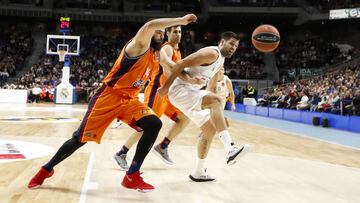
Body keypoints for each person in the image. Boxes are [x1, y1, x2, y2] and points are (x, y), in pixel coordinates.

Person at [27, 14, 197, 192]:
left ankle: (132, 175)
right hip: (109, 97)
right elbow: (149, 26)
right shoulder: (137, 46)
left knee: (154, 123)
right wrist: (181, 20)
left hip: (129, 100)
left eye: (163, 34)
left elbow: (171, 67)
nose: (161, 35)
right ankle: (46, 169)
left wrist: (190, 79)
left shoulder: (156, 56)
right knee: (79, 139)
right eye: (159, 32)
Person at [158, 31, 250, 182]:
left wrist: (217, 112)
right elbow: (181, 64)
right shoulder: (211, 53)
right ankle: (230, 148)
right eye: (231, 43)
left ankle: (199, 171)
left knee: (210, 128)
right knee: (216, 100)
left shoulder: (221, 61)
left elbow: (210, 89)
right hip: (180, 90)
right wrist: (165, 87)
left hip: (190, 92)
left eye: (236, 46)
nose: (234, 47)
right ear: (222, 42)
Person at [112, 25, 193, 169]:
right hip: (157, 91)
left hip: (167, 94)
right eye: (175, 32)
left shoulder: (177, 50)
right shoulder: (167, 48)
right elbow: (169, 69)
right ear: (168, 34)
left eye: (180, 32)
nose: (178, 35)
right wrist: (188, 77)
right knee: (146, 125)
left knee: (184, 118)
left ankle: (163, 146)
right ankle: (121, 152)